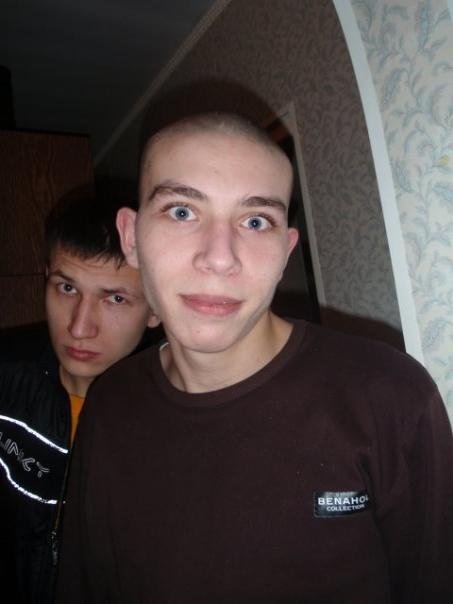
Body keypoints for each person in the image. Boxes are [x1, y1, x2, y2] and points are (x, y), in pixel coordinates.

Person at [56, 112, 453, 603]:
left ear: (285, 251)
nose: (220, 258)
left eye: (255, 221)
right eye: (182, 212)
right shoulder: (111, 404)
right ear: (132, 238)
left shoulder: (390, 398)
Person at [0, 194, 158, 603]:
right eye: (67, 287)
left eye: (115, 298)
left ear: (156, 309)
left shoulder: (174, 428)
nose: (80, 327)